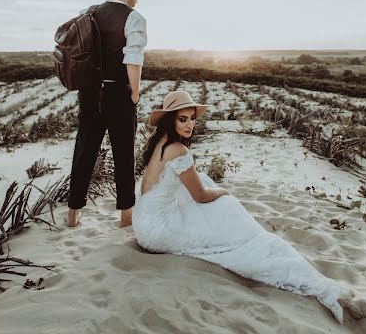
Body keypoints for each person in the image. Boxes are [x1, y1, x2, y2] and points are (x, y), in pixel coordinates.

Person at [132, 90, 345, 324]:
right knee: (226, 204)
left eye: (193, 118)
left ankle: (245, 235)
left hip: (142, 222)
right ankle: (257, 245)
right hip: (156, 232)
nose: (190, 124)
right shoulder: (178, 150)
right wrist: (225, 192)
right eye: (183, 119)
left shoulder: (160, 143)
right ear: (169, 120)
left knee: (206, 186)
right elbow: (201, 196)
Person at [67, 0, 147, 228]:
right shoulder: (134, 17)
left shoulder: (88, 13)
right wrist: (134, 92)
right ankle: (125, 216)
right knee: (124, 153)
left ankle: (73, 214)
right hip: (117, 93)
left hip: (88, 93)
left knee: (84, 151)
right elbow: (133, 58)